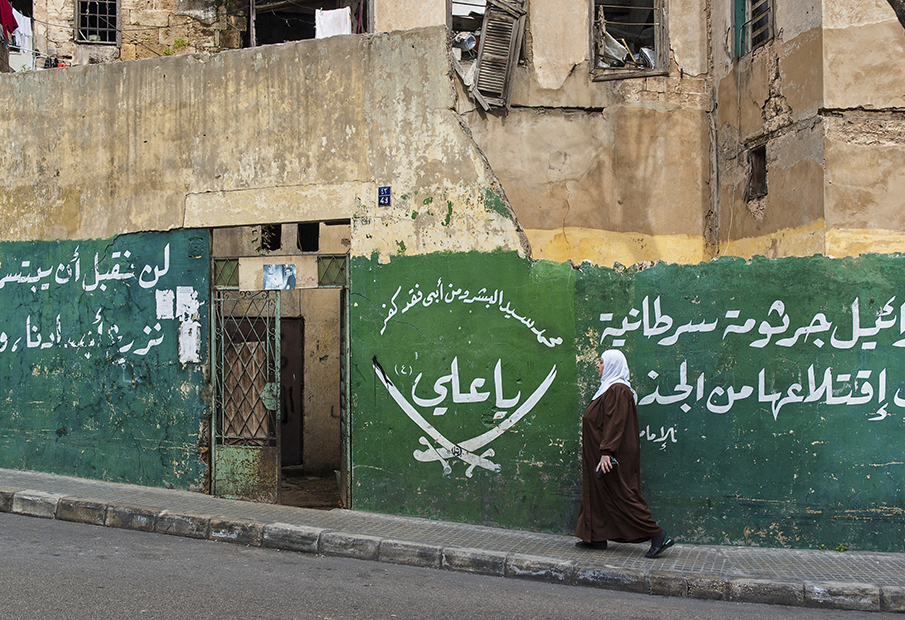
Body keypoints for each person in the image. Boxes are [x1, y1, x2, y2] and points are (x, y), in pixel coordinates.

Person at [575, 349, 674, 558]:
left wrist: (606, 451)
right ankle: (595, 537)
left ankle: (658, 535)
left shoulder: (618, 390)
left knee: (621, 494)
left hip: (610, 455)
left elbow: (615, 422)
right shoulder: (608, 389)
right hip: (601, 453)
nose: (598, 365)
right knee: (599, 493)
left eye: (601, 362)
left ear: (612, 365)